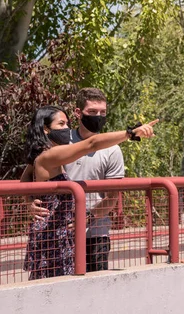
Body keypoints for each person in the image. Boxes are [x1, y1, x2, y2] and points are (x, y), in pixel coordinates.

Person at [22, 103, 157, 279]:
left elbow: (24, 179)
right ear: (46, 130)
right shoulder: (48, 156)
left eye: (67, 124)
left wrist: (27, 201)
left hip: (58, 232)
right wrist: (129, 133)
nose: (67, 129)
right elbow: (91, 144)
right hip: (52, 234)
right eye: (61, 124)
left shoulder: (44, 154)